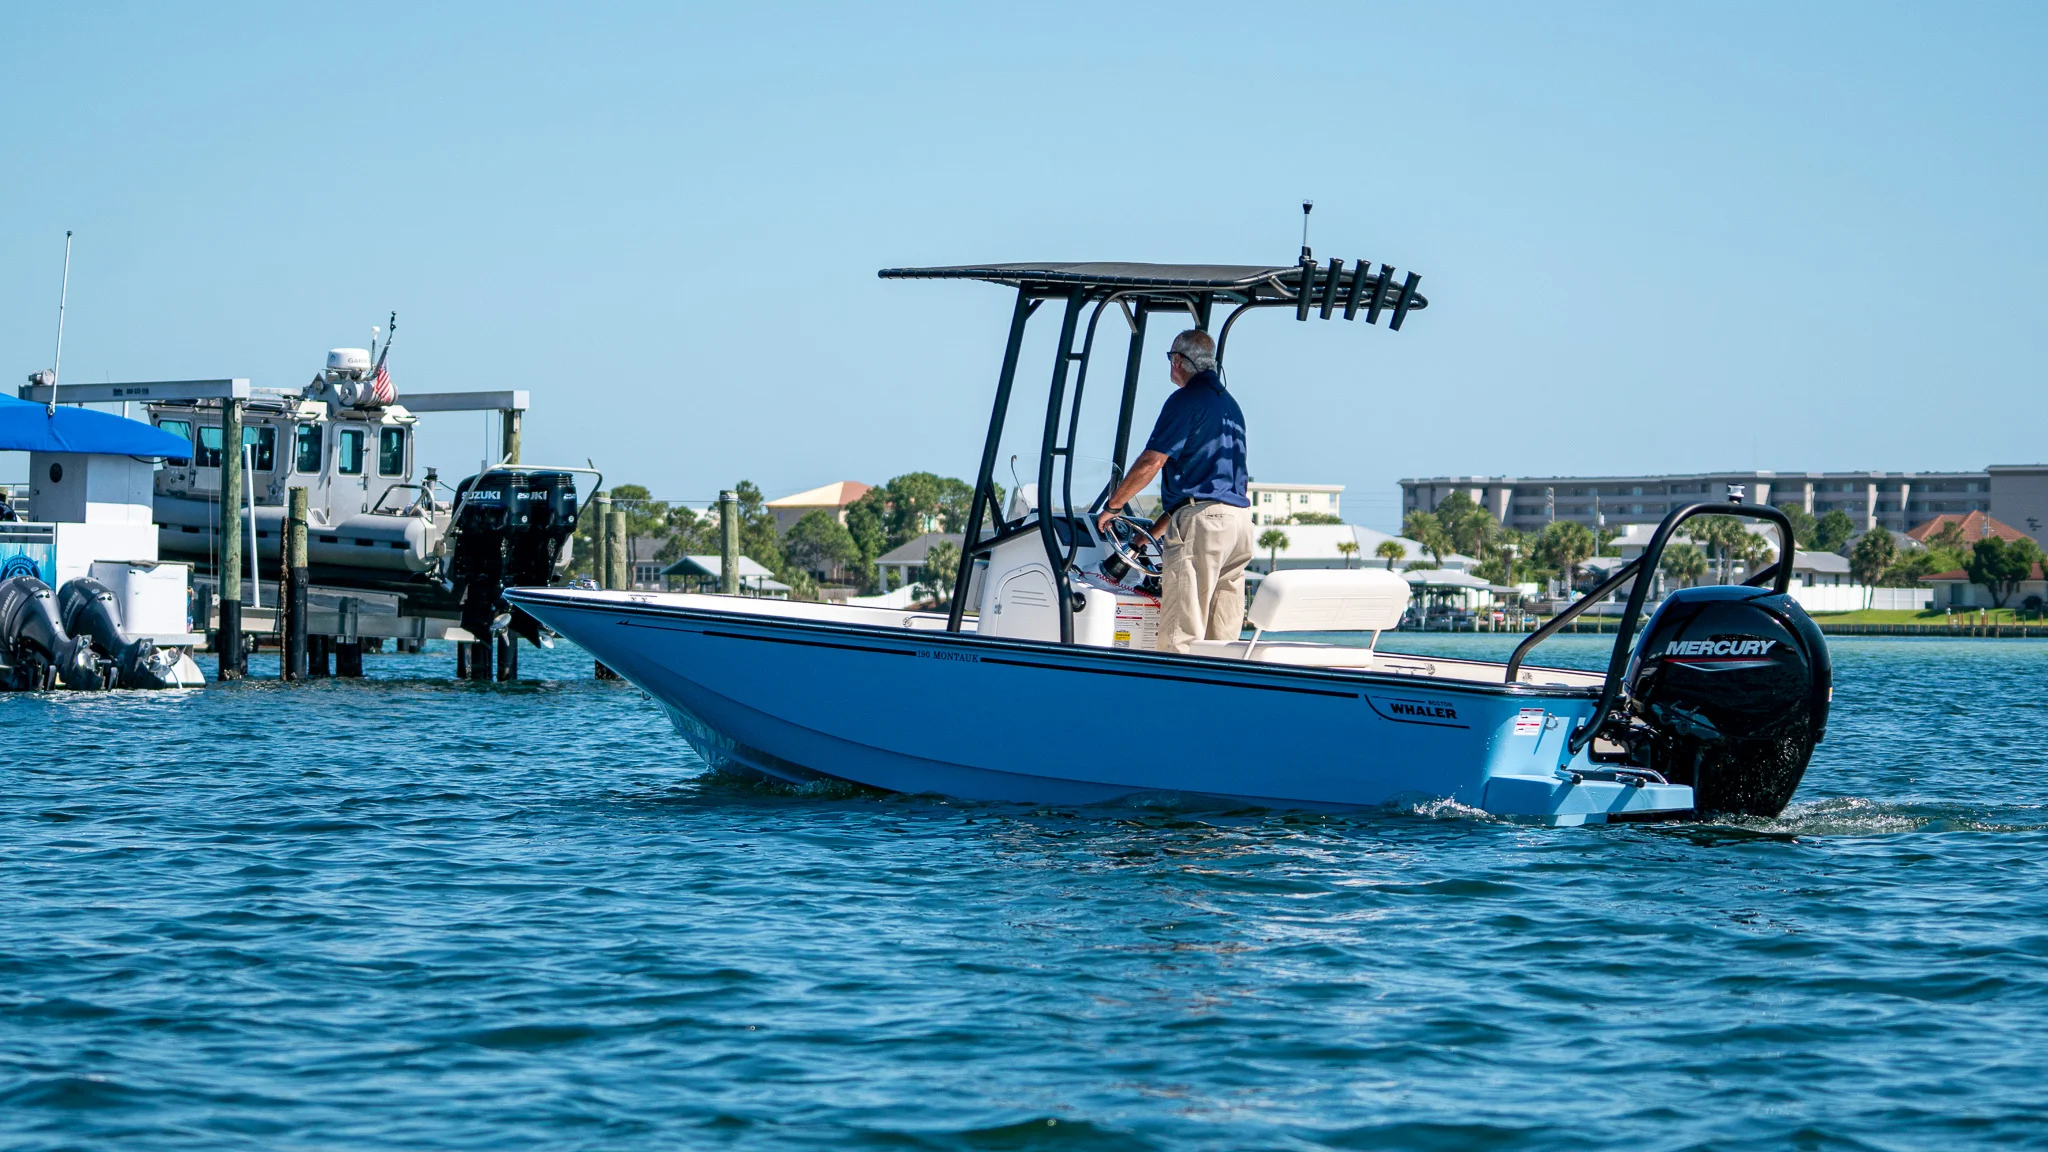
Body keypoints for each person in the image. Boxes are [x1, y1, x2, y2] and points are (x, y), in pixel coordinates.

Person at [1095, 329, 1253, 654]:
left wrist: (1113, 507)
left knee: (1182, 630)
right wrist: (1143, 539)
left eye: (1170, 358)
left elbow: (1151, 462)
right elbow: (1196, 495)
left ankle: (1171, 701)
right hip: (1239, 526)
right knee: (1221, 637)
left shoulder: (1186, 400)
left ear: (1178, 361)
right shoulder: (1230, 406)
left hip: (1204, 526)